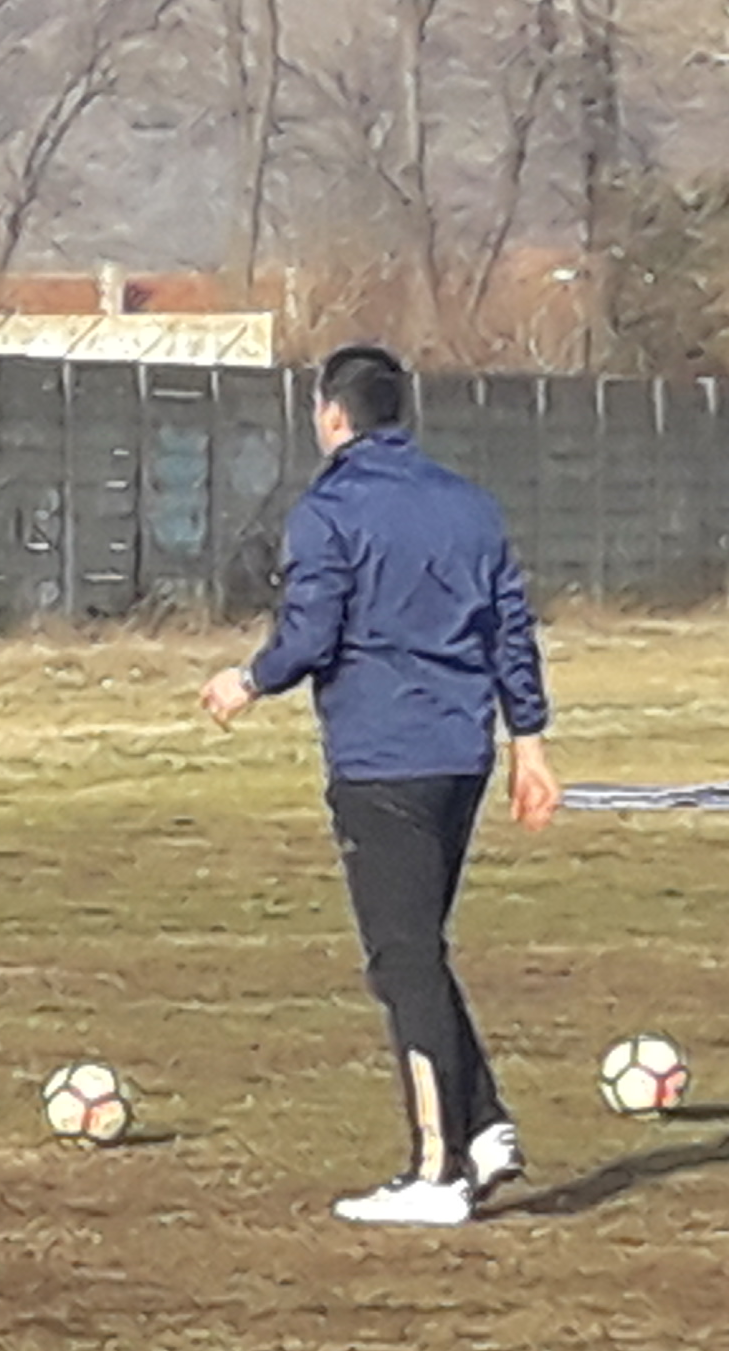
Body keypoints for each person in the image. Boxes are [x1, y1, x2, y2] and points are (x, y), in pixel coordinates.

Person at [202, 344, 559, 1226]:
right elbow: (510, 628)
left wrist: (247, 681)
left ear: (332, 414)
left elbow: (310, 633)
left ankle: (437, 1171)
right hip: (462, 756)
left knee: (401, 959)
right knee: (418, 950)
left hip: (382, 760)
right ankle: (485, 1128)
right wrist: (531, 742)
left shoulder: (329, 511)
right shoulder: (469, 506)